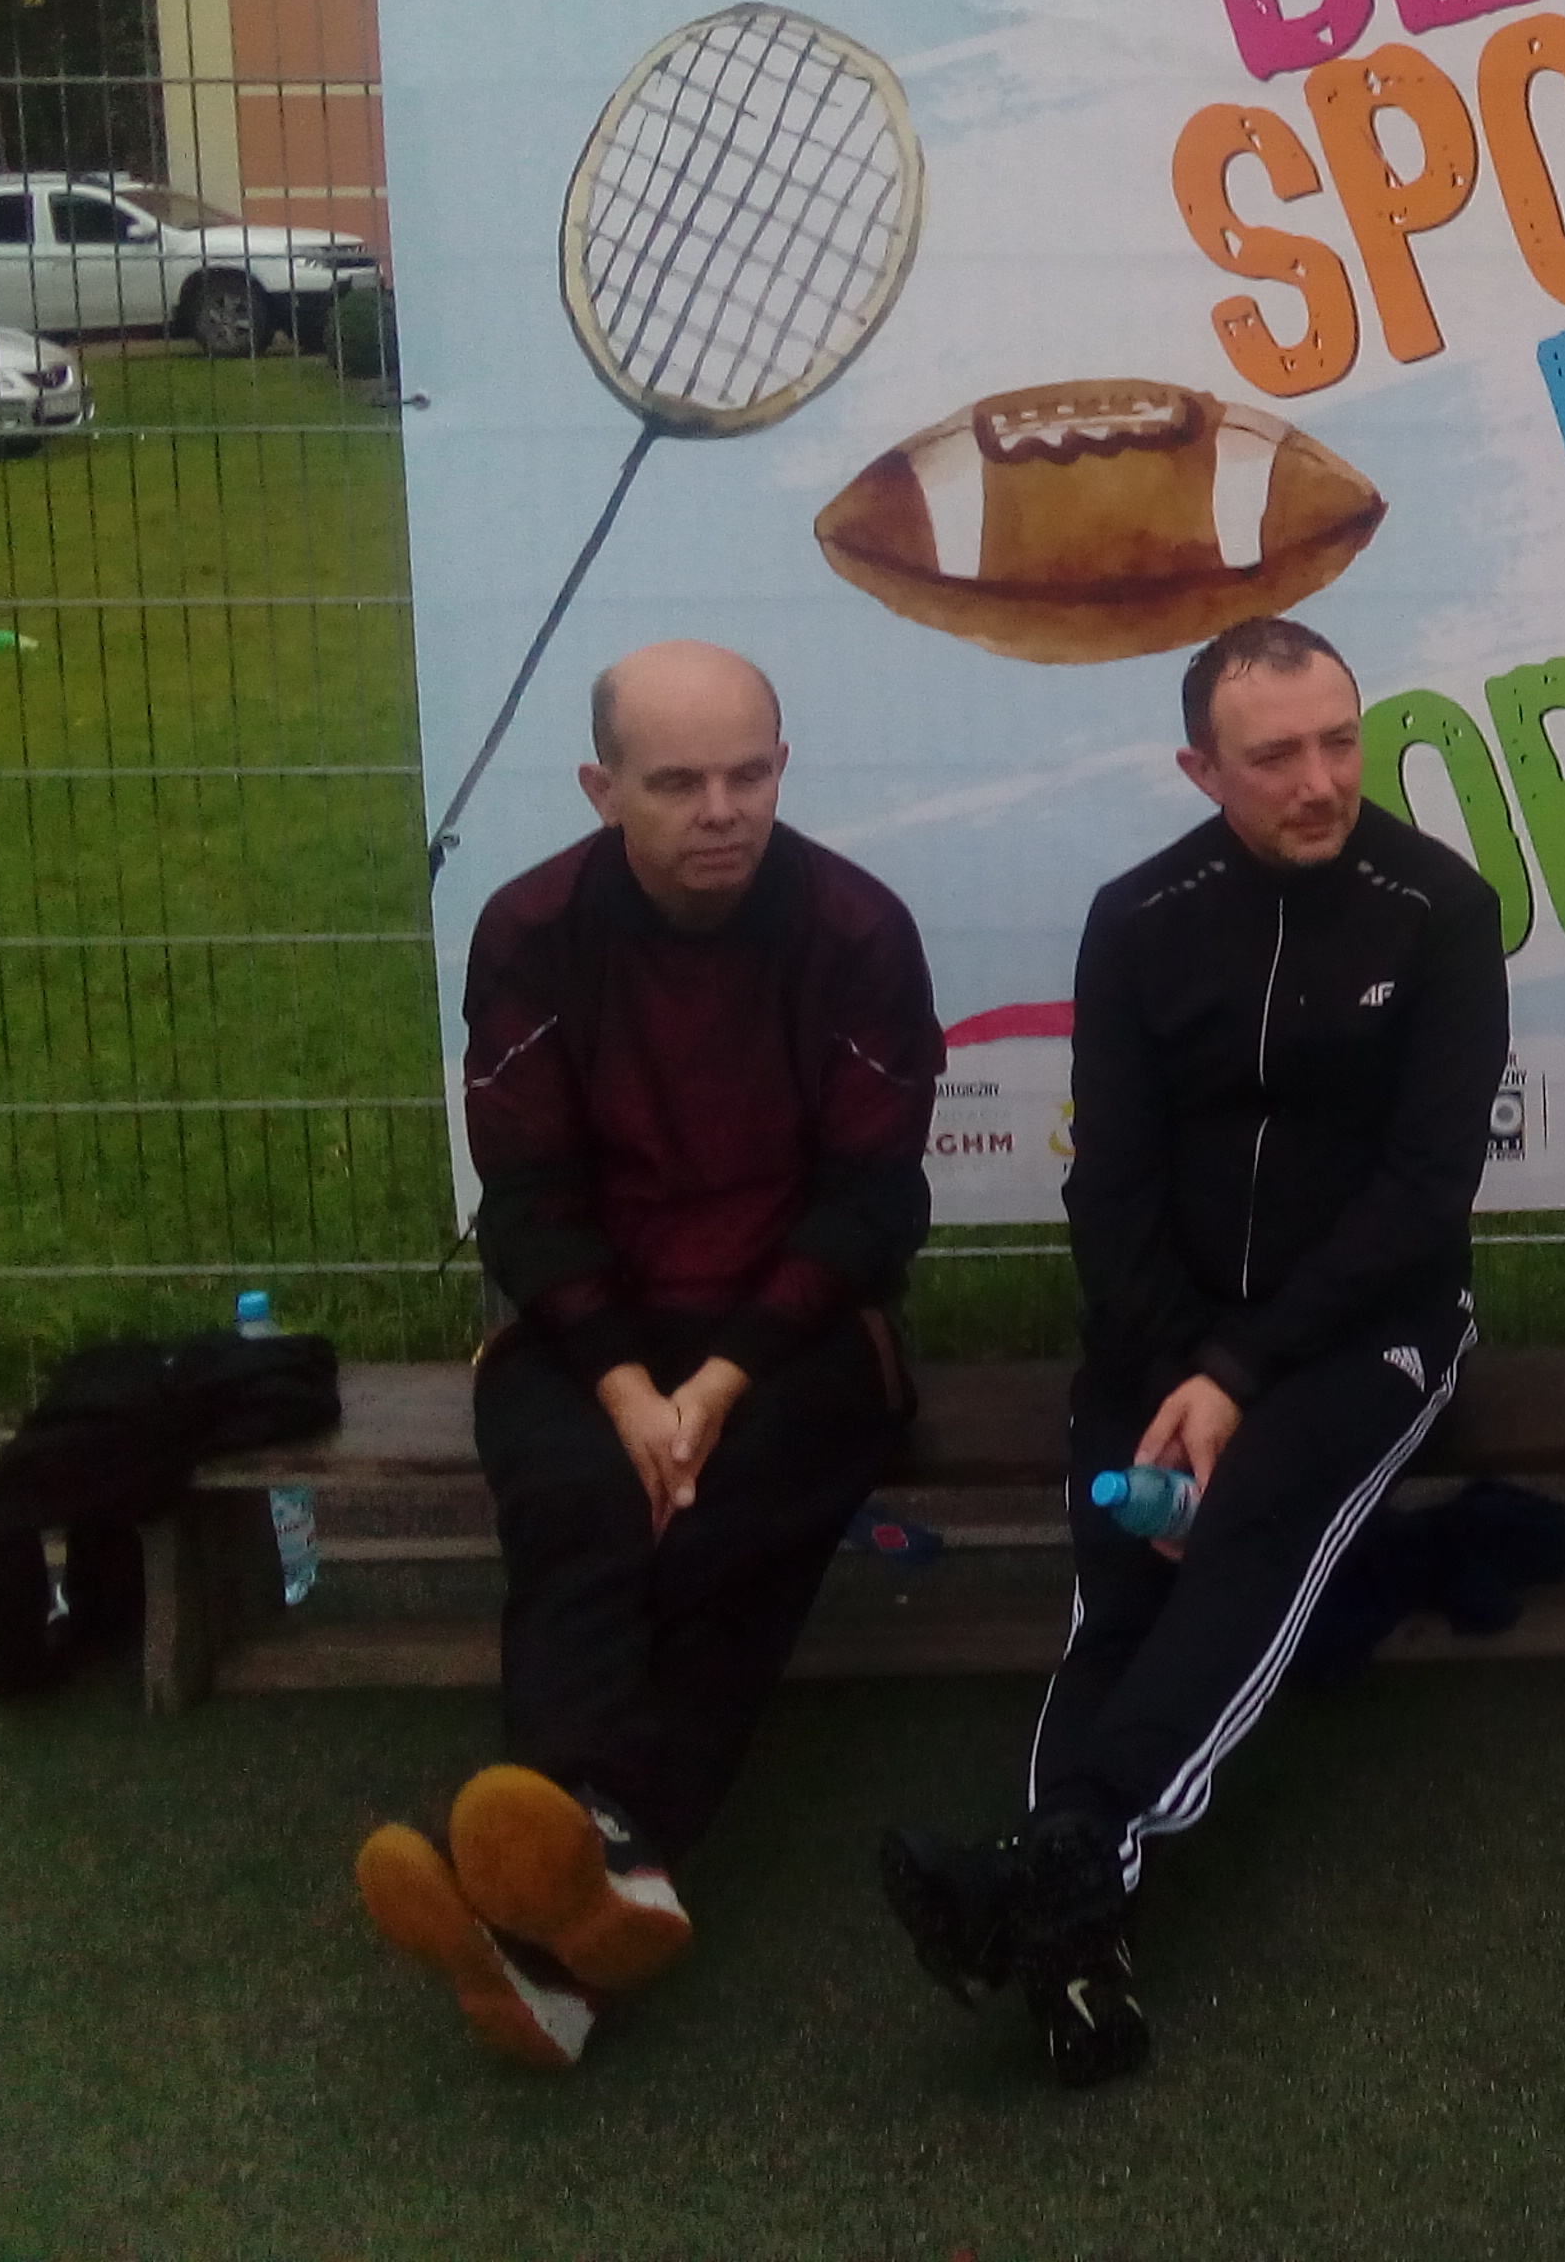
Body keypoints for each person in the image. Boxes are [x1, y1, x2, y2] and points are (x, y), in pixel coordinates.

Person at [880, 617, 1505, 2086]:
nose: (1319, 781)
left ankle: (1070, 1845)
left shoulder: (1438, 907)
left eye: (1339, 741)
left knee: (1252, 1520)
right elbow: (1110, 1182)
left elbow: (1424, 1194)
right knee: (1121, 1586)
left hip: (1368, 1333)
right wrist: (1180, 1369)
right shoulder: (1140, 917)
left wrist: (1241, 1375)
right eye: (1274, 756)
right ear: (1199, 769)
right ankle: (1072, 1931)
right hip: (1159, 1339)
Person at [357, 642, 941, 2071]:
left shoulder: (859, 929)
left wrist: (719, 1384)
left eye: (747, 775)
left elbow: (873, 1205)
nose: (720, 810)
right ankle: (603, 1876)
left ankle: (556, 1871)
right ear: (599, 786)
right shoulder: (531, 929)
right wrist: (629, 1392)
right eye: (677, 783)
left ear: (782, 770)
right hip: (588, 1329)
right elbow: (528, 1200)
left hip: (800, 1333)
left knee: (717, 1517)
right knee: (578, 1506)